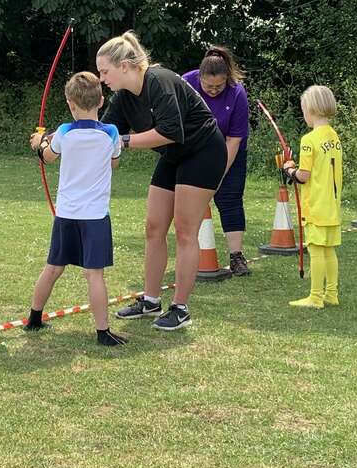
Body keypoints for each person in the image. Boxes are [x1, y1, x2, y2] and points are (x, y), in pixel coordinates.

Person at [97, 31, 226, 330]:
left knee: (184, 230)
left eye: (105, 71)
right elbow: (102, 131)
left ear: (125, 65)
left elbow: (169, 131)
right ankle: (151, 300)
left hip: (204, 151)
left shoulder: (158, 81)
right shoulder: (123, 97)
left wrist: (124, 141)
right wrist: (59, 138)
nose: (102, 78)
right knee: (154, 226)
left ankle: (180, 309)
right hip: (174, 155)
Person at [25, 71, 127, 346]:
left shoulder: (64, 132)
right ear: (102, 101)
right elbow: (114, 162)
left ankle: (34, 318)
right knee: (94, 273)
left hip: (67, 214)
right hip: (94, 216)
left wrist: (39, 142)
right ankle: (102, 332)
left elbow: (47, 157)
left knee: (53, 267)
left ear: (70, 103)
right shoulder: (111, 133)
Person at [182, 46, 252, 276]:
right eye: (208, 86)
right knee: (188, 203)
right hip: (194, 149)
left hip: (229, 150)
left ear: (226, 80)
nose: (213, 91)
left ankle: (236, 256)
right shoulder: (185, 83)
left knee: (230, 198)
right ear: (199, 77)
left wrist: (219, 173)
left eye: (218, 87)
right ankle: (189, 254)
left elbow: (234, 140)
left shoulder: (237, 93)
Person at [283, 85, 343, 308]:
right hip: (332, 205)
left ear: (311, 109)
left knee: (316, 250)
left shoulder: (309, 140)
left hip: (316, 205)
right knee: (329, 250)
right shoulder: (334, 137)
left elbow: (304, 176)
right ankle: (332, 294)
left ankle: (316, 297)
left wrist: (289, 169)